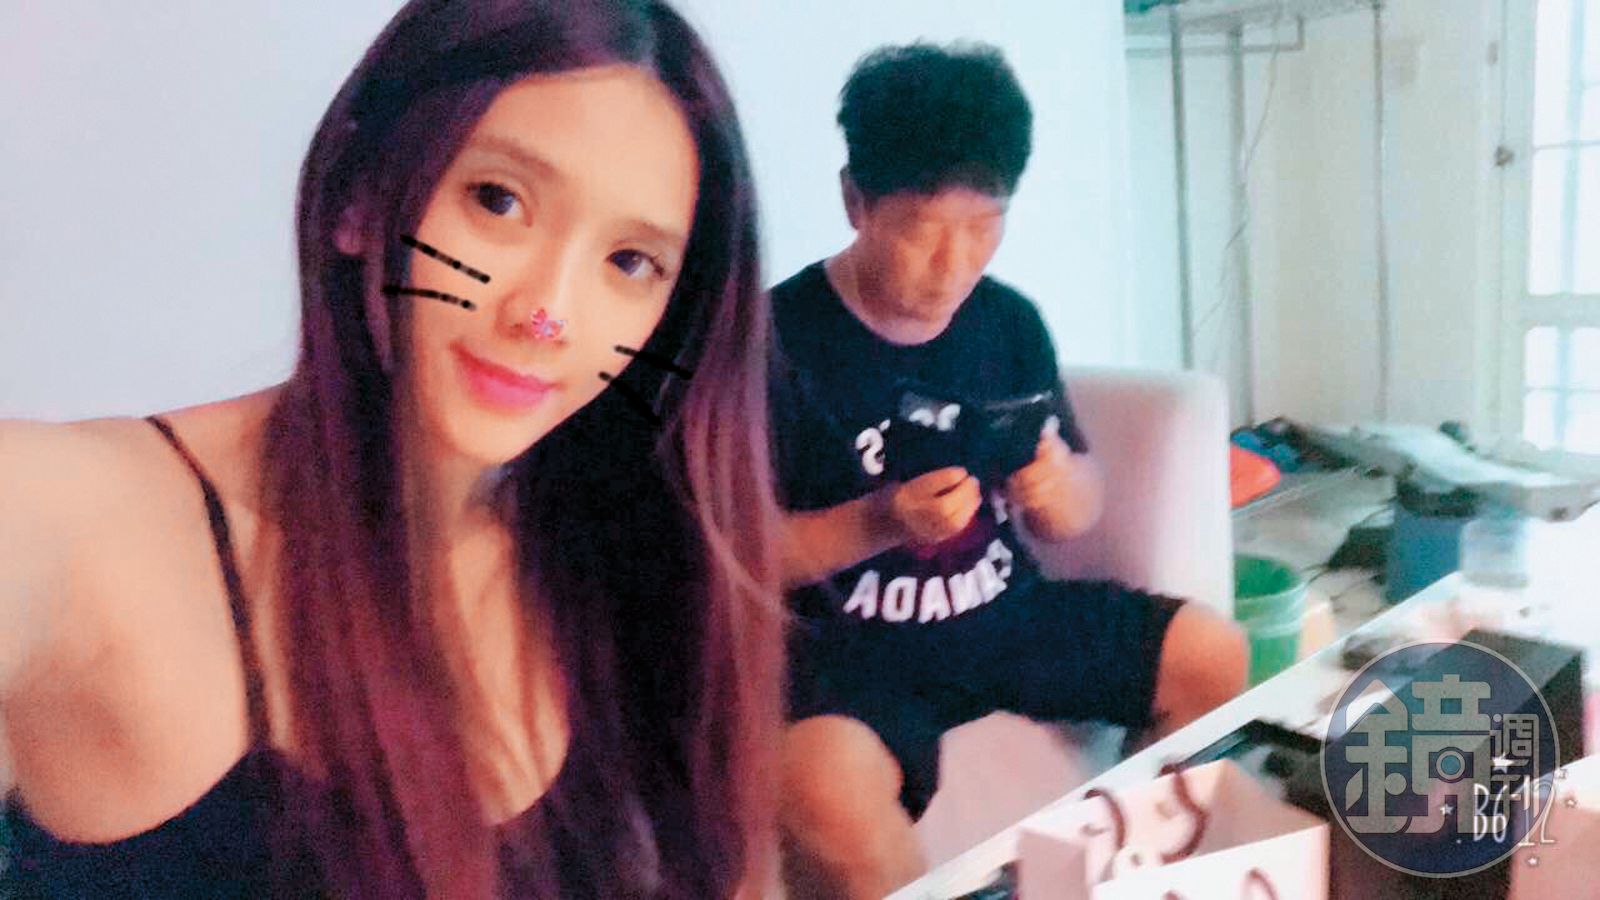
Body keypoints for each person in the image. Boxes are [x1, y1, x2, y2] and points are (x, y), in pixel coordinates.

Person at [0, 1, 785, 896]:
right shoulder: (88, 522)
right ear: (359, 197)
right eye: (498, 201)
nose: (549, 313)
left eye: (630, 262)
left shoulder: (632, 561)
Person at [770, 42, 1250, 898]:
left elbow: (1077, 497)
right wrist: (880, 521)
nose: (952, 267)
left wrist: (1061, 494)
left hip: (1004, 615)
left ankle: (1128, 877)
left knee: (1212, 653)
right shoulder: (773, 341)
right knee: (820, 787)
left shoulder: (1008, 323)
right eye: (920, 232)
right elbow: (736, 552)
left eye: (983, 228)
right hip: (846, 654)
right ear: (855, 201)